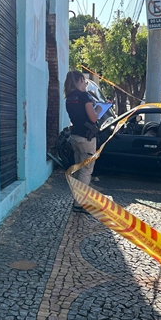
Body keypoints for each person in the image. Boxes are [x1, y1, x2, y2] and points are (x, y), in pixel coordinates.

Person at [64, 70, 102, 214]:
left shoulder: (69, 98)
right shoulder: (84, 97)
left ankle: (77, 198)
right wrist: (98, 109)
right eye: (85, 82)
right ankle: (79, 203)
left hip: (74, 137)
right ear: (80, 80)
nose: (86, 84)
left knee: (79, 169)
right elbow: (93, 118)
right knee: (86, 171)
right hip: (86, 138)